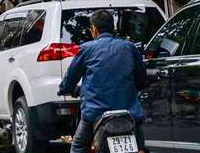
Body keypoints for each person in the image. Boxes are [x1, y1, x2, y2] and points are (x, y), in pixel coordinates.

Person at [57, 10, 148, 153]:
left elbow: (70, 79)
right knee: (141, 148)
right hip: (129, 115)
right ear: (113, 27)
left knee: (78, 148)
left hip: (94, 114)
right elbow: (142, 80)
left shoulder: (87, 49)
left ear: (93, 29)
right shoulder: (129, 47)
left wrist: (65, 88)